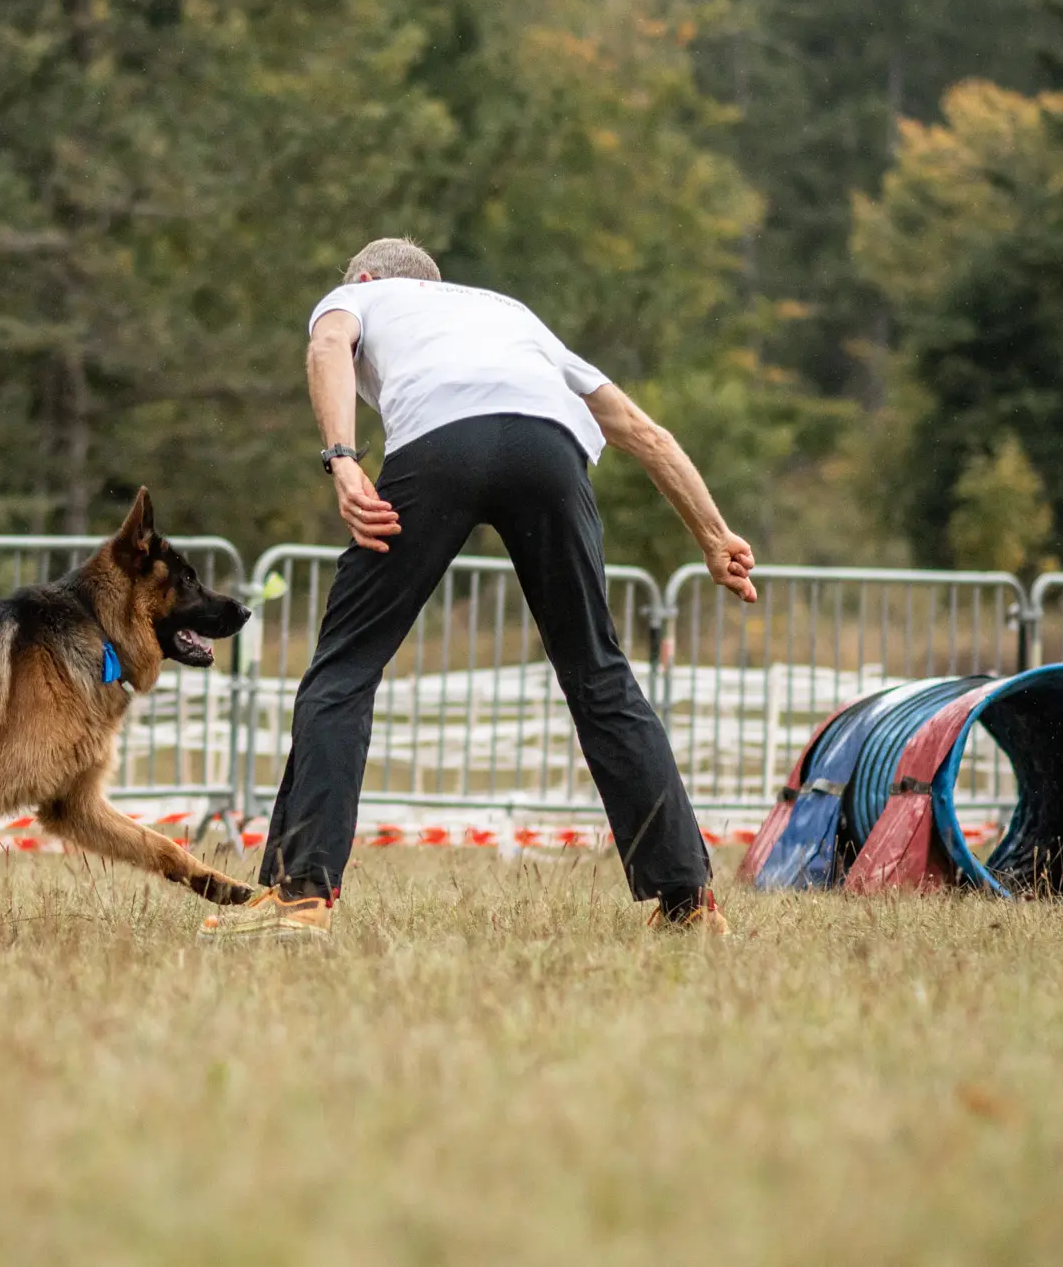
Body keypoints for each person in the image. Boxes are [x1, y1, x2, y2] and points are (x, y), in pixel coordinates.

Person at [200, 238, 756, 943]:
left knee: (344, 669)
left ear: (368, 277)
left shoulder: (358, 295)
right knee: (598, 672)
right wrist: (713, 535)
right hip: (550, 450)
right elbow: (640, 429)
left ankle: (301, 893)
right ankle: (687, 902)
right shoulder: (506, 311)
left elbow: (329, 345)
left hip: (440, 443)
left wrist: (342, 458)